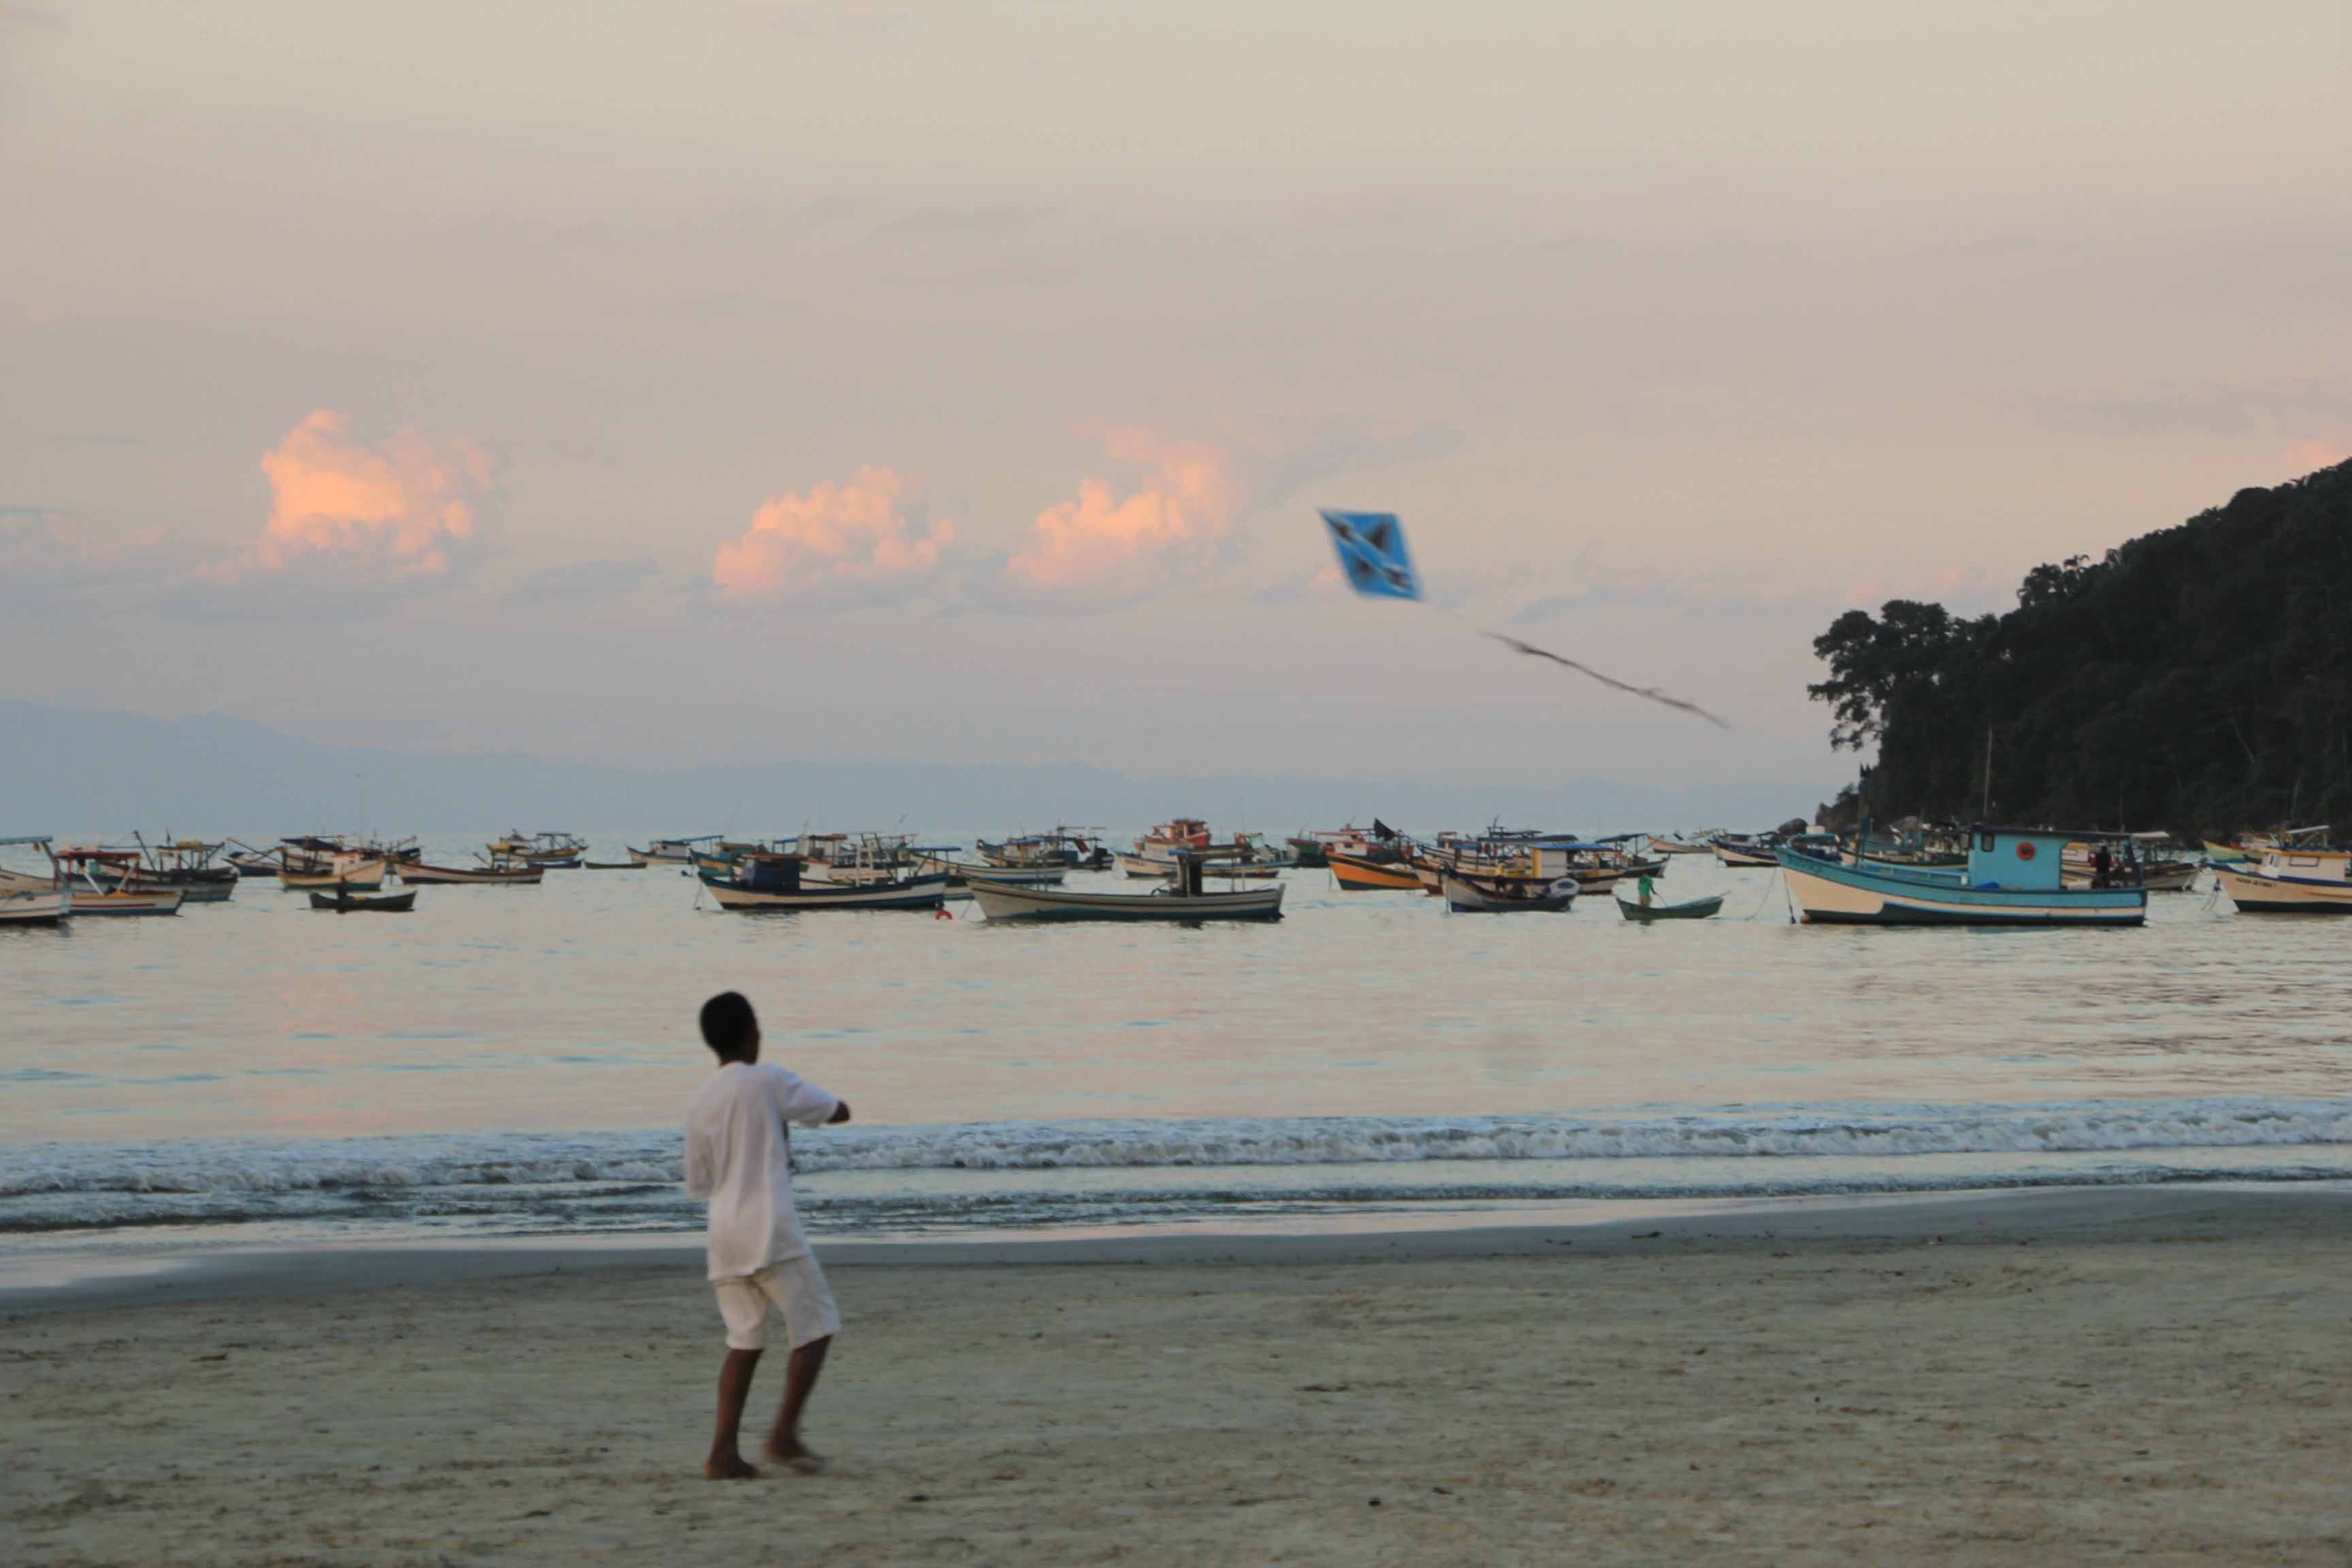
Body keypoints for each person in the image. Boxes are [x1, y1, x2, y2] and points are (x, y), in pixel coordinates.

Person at [683, 990, 851, 1480]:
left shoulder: (700, 1098)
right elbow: (837, 1110)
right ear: (752, 1032)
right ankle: (782, 1434)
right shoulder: (769, 1080)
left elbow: (699, 1182)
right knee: (817, 1327)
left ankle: (722, 1452)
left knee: (744, 1341)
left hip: (724, 1233)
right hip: (770, 1228)